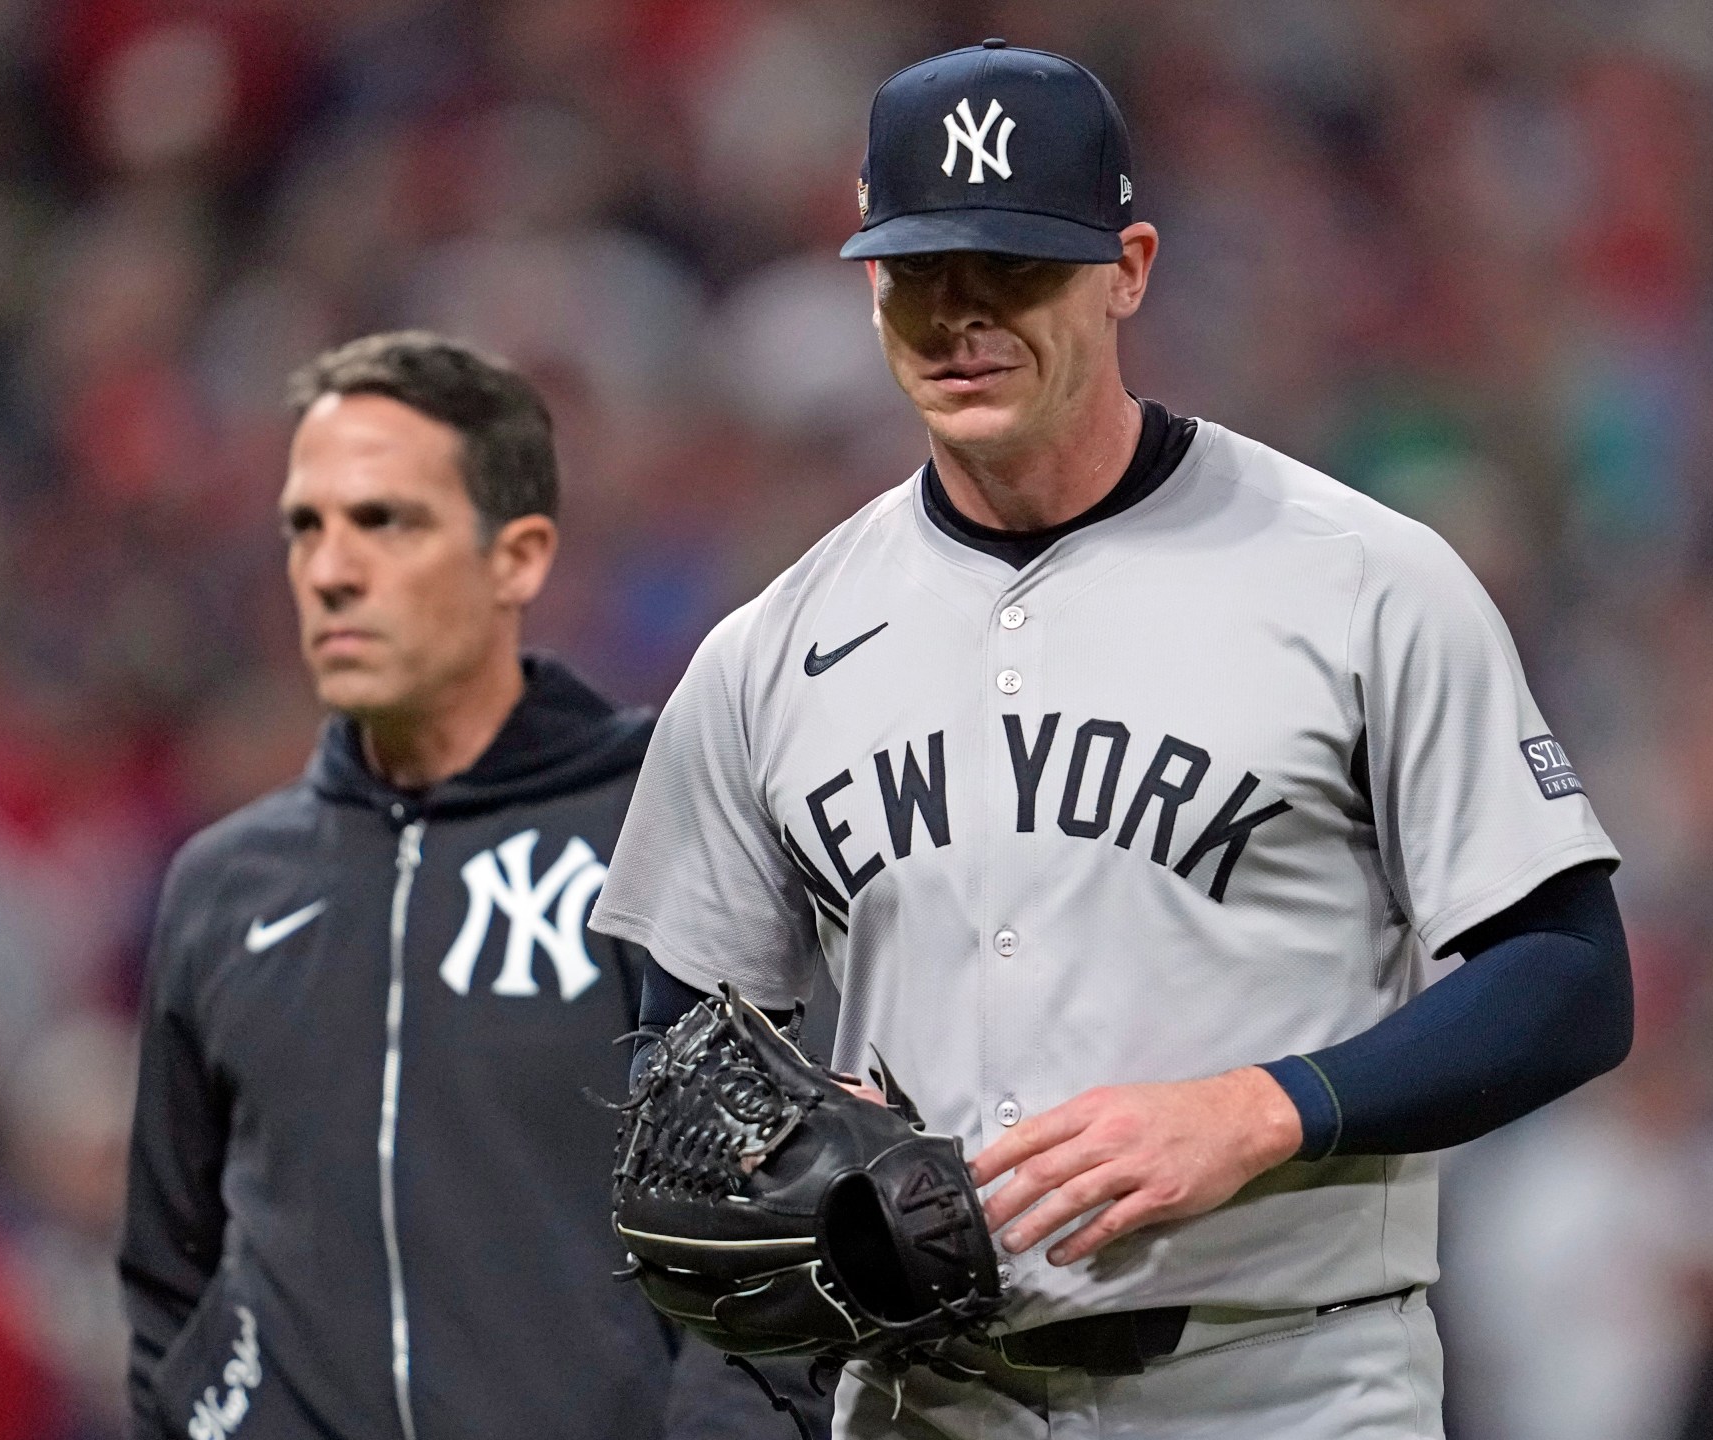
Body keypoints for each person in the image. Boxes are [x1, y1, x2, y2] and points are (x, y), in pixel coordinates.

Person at [591, 41, 1634, 1440]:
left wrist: (1270, 1108)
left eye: (1013, 267)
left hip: (1286, 1387)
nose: (962, 316)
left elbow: (1569, 975)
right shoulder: (765, 654)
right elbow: (683, 1063)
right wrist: (788, 1164)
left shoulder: (1361, 581)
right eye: (918, 271)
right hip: (926, 1400)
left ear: (1128, 267)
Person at [118, 332, 826, 1440]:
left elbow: (771, 1244)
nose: (332, 569)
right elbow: (170, 1281)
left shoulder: (662, 821)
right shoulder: (223, 889)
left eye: (387, 521)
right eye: (307, 525)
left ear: (519, 558)